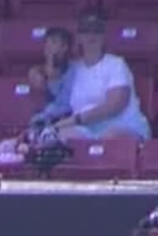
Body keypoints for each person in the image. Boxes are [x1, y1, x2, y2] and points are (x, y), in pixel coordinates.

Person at [53, 13, 151, 143]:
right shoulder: (74, 69)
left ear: (103, 37)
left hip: (123, 126)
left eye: (96, 31)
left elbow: (115, 104)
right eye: (86, 31)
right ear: (79, 37)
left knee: (108, 138)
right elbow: (53, 90)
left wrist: (77, 119)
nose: (91, 36)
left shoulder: (116, 64)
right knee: (60, 137)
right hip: (87, 130)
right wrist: (38, 70)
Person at [26, 26, 75, 125]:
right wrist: (50, 64)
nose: (48, 46)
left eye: (53, 42)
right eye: (46, 42)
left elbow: (66, 102)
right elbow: (43, 96)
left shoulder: (76, 69)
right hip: (44, 120)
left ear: (65, 47)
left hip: (70, 119)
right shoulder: (36, 72)